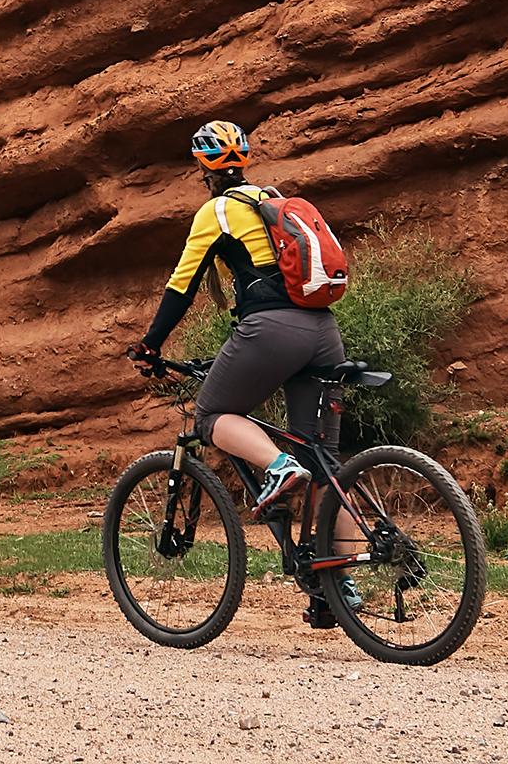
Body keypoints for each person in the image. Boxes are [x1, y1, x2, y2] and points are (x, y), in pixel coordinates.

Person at [125, 120, 346, 525]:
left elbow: (182, 286)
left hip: (273, 330)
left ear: (202, 168)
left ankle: (279, 466)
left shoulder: (218, 210)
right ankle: (337, 580)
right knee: (323, 462)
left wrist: (150, 344)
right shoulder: (272, 200)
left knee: (210, 416)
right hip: (324, 332)